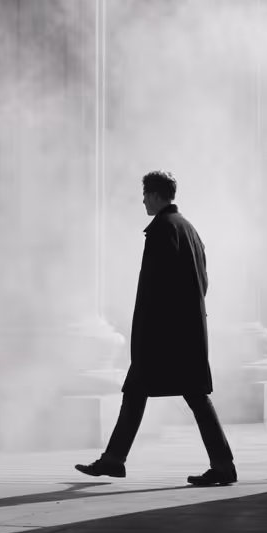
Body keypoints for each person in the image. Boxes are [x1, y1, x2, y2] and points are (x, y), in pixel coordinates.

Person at [75, 170, 237, 487]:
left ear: (155, 195)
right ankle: (114, 459)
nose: (143, 200)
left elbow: (154, 289)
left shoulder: (163, 230)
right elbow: (202, 283)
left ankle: (222, 466)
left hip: (164, 337)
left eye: (145, 194)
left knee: (171, 396)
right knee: (152, 394)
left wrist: (147, 334)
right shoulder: (188, 229)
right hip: (184, 334)